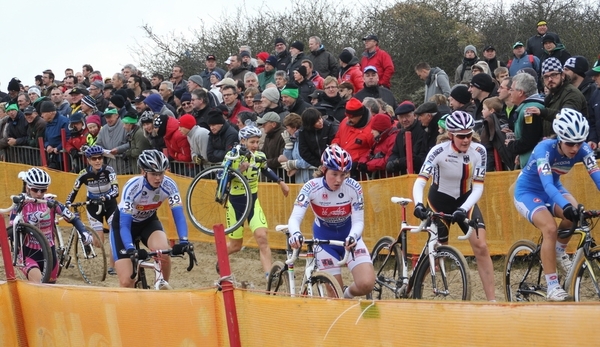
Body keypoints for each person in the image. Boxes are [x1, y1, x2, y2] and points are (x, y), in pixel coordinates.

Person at [513, 108, 599, 301]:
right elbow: (547, 184)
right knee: (550, 228)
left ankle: (559, 252)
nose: (575, 149)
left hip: (553, 189)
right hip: (528, 192)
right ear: (559, 138)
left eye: (579, 143)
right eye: (570, 143)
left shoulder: (584, 150)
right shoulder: (544, 149)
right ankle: (552, 285)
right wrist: (564, 206)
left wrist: (569, 208)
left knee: (575, 213)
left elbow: (597, 177)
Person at [413, 111, 496, 301]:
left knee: (481, 247)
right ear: (451, 135)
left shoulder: (479, 151)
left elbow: (478, 187)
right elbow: (420, 182)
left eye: (468, 135)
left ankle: (493, 302)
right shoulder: (439, 151)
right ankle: (413, 288)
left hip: (465, 201)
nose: (466, 140)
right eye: (461, 136)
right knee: (436, 255)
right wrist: (418, 204)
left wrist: (462, 208)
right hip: (438, 202)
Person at [287, 146, 375, 298]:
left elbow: (358, 220)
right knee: (334, 294)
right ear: (324, 169)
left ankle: (347, 296)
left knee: (366, 284)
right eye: (334, 174)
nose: (339, 180)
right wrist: (295, 233)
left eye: (343, 174)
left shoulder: (353, 187)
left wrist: (353, 236)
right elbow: (295, 217)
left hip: (350, 237)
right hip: (325, 241)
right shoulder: (312, 187)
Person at [111, 150, 190, 288]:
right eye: (154, 174)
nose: (158, 178)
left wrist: (184, 240)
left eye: (161, 173)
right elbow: (124, 224)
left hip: (148, 222)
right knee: (127, 281)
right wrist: (130, 248)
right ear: (143, 172)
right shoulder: (133, 187)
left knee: (163, 252)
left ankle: (162, 287)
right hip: (124, 226)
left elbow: (178, 214)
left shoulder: (169, 185)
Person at [223, 126, 290, 277]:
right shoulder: (232, 155)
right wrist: (239, 170)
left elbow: (265, 169)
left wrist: (281, 182)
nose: (255, 145)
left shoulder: (259, 155)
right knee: (235, 245)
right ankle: (221, 257)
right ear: (243, 141)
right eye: (252, 142)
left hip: (253, 201)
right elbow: (221, 178)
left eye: (257, 142)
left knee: (262, 237)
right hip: (235, 203)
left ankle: (269, 275)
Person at [15, 167, 92, 283]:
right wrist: (27, 222)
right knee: (40, 288)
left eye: (43, 190)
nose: (39, 194)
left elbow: (73, 218)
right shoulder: (20, 204)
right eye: (35, 190)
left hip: (50, 254)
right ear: (27, 187)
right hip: (29, 254)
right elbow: (12, 230)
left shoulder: (50, 202)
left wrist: (84, 232)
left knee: (50, 291)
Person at [66, 145, 119, 275]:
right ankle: (87, 239)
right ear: (88, 160)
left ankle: (113, 266)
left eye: (100, 158)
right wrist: (67, 203)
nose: (97, 161)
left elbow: (116, 191)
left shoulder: (109, 170)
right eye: (94, 159)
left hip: (110, 204)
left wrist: (106, 197)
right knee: (98, 242)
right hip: (93, 206)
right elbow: (73, 191)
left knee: (114, 235)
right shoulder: (83, 174)